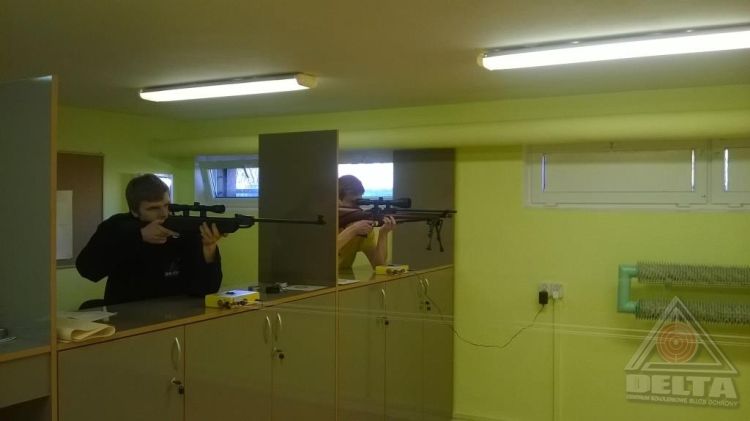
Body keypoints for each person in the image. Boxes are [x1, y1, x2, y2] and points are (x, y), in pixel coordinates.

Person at [76, 174, 225, 305]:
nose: (163, 213)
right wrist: (138, 236)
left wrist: (209, 249)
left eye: (166, 205)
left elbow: (207, 288)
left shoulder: (182, 229)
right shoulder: (116, 227)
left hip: (176, 315)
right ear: (134, 211)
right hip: (126, 317)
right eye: (153, 208)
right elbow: (88, 270)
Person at [337, 175, 396, 270]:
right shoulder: (323, 222)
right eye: (352, 202)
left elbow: (378, 266)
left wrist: (383, 234)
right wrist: (353, 230)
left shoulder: (361, 228)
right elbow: (325, 254)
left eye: (359, 202)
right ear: (337, 201)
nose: (357, 207)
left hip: (344, 279)